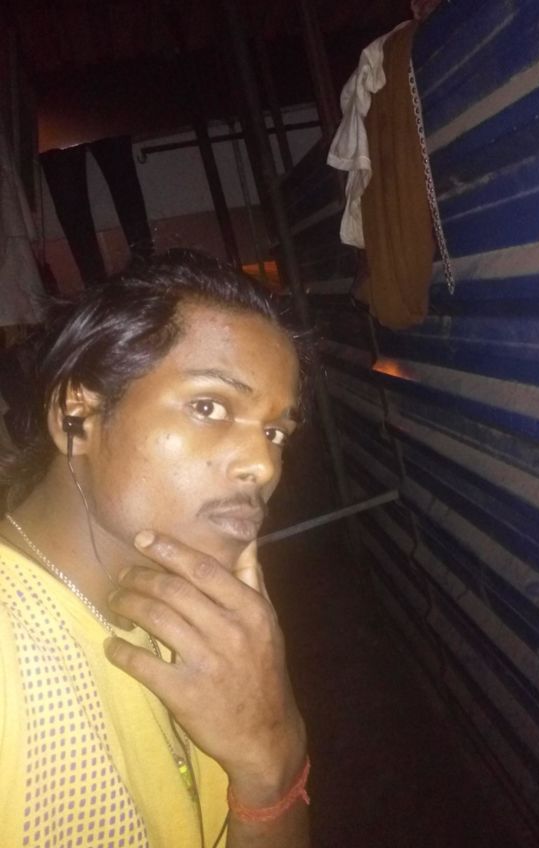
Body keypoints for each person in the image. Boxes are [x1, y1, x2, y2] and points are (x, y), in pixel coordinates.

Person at [0, 250, 311, 848]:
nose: (263, 464)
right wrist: (275, 750)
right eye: (209, 406)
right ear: (76, 417)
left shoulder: (202, 628)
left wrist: (270, 765)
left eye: (275, 432)